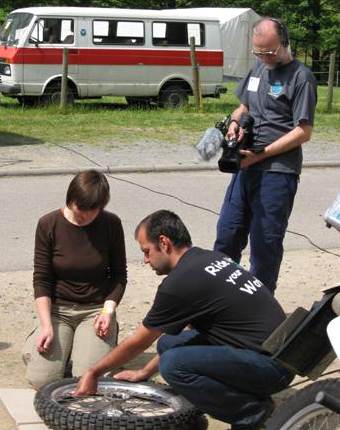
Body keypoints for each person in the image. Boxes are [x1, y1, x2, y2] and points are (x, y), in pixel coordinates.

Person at [75, 210, 294, 430]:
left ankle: (251, 413)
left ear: (164, 242)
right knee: (168, 344)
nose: (145, 260)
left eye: (147, 251)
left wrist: (93, 372)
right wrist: (145, 372)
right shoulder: (209, 258)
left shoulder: (180, 283)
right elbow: (180, 334)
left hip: (271, 367)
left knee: (173, 365)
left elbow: (139, 342)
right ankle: (235, 397)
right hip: (282, 351)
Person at [214, 17, 317, 293]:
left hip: (277, 172)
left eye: (269, 52)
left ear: (284, 42)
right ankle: (218, 301)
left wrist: (261, 155)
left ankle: (258, 313)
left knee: (264, 245)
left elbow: (304, 131)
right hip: (244, 167)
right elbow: (242, 107)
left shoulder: (301, 77)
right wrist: (235, 124)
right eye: (258, 52)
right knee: (227, 235)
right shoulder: (258, 68)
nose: (264, 58)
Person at [23, 169, 127, 389]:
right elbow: (42, 279)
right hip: (58, 310)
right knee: (42, 381)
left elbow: (119, 276)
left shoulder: (111, 224)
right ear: (70, 199)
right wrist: (46, 324)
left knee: (87, 379)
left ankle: (92, 346)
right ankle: (38, 342)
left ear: (102, 206)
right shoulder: (48, 224)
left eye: (92, 211)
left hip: (94, 310)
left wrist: (108, 312)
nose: (84, 216)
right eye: (80, 209)